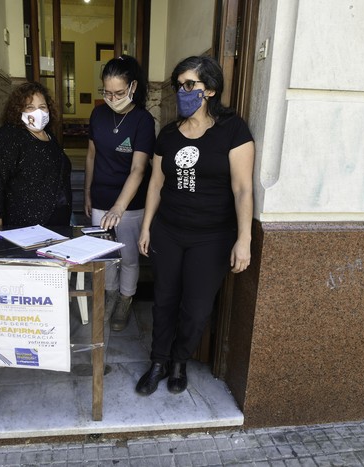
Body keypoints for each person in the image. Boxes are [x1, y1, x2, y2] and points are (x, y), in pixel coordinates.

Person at [136, 55, 255, 396]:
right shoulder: (170, 134)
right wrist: (146, 228)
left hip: (213, 237)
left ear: (211, 89)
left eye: (191, 84)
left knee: (197, 307)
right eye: (180, 85)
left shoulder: (233, 130)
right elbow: (156, 184)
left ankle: (179, 361)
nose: (183, 91)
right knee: (164, 301)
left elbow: (243, 188)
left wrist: (244, 238)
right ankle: (158, 362)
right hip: (169, 231)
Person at [84, 55, 155, 331]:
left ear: (133, 86)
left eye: (119, 92)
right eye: (107, 92)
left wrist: (118, 208)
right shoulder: (98, 114)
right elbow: (91, 156)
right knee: (105, 256)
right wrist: (88, 192)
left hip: (130, 203)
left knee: (127, 257)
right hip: (101, 197)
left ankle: (125, 300)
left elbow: (138, 169)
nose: (112, 98)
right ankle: (110, 296)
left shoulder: (143, 120)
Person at [0, 81, 72, 227]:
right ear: (19, 110)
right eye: (30, 107)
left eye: (42, 107)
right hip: (25, 224)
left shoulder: (50, 136)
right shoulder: (9, 136)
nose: (38, 112)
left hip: (58, 219)